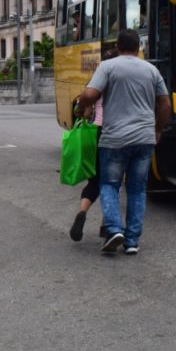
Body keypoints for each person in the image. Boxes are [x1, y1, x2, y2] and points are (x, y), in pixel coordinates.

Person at [77, 30, 170, 255]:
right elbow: (165, 104)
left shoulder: (108, 67)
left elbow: (90, 94)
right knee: (137, 189)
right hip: (144, 138)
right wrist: (157, 129)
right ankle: (132, 241)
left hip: (114, 139)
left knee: (109, 184)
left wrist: (82, 104)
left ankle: (114, 228)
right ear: (138, 48)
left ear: (118, 47)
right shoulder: (152, 70)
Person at [69, 49, 118, 242]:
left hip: (97, 133)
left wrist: (83, 110)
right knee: (113, 182)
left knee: (95, 181)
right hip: (117, 133)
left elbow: (81, 110)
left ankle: (82, 213)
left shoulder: (96, 85)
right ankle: (107, 225)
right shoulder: (122, 83)